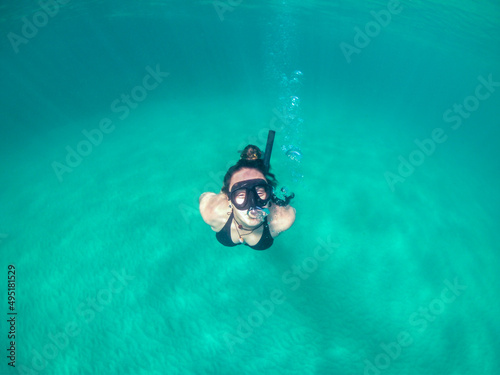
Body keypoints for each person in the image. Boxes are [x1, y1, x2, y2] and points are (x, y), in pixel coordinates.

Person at [199, 144, 296, 250]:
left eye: (260, 192)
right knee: (226, 188)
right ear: (230, 200)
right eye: (241, 194)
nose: (253, 203)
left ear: (269, 196)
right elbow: (204, 197)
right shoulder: (212, 211)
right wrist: (222, 195)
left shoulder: (283, 219)